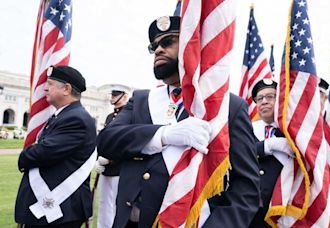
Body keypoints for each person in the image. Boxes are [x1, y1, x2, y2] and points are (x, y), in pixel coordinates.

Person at [96, 16, 260, 228]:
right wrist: (163, 135)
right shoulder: (142, 100)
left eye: (168, 42)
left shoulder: (229, 107)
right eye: (154, 46)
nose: (158, 50)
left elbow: (246, 189)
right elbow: (107, 141)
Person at [15, 65, 97, 227]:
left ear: (66, 89)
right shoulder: (65, 115)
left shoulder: (76, 118)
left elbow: (44, 152)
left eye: (50, 84)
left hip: (62, 209)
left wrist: (24, 156)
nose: (45, 88)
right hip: (55, 208)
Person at [249, 79, 293, 227]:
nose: (264, 102)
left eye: (270, 97)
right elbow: (238, 153)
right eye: (259, 98)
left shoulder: (292, 129)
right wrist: (268, 145)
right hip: (250, 213)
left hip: (284, 211)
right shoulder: (248, 128)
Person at [95, 84, 130, 228]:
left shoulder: (129, 116)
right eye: (112, 95)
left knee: (115, 204)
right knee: (104, 202)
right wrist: (99, 158)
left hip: (119, 168)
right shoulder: (110, 116)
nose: (113, 98)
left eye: (116, 95)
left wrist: (110, 159)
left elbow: (127, 143)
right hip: (105, 168)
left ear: (125, 96)